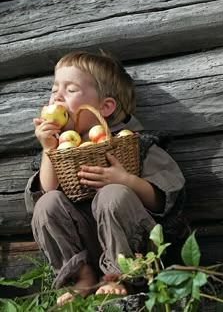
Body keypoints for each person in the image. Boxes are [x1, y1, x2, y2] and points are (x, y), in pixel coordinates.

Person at [24, 50, 185, 306]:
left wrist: (126, 180)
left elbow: (163, 199)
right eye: (54, 88)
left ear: (105, 107)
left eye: (71, 89)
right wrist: (48, 150)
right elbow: (44, 194)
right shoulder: (63, 148)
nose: (57, 96)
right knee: (47, 204)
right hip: (87, 244)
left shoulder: (133, 144)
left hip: (133, 248)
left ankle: (120, 276)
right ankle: (82, 276)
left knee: (113, 193)